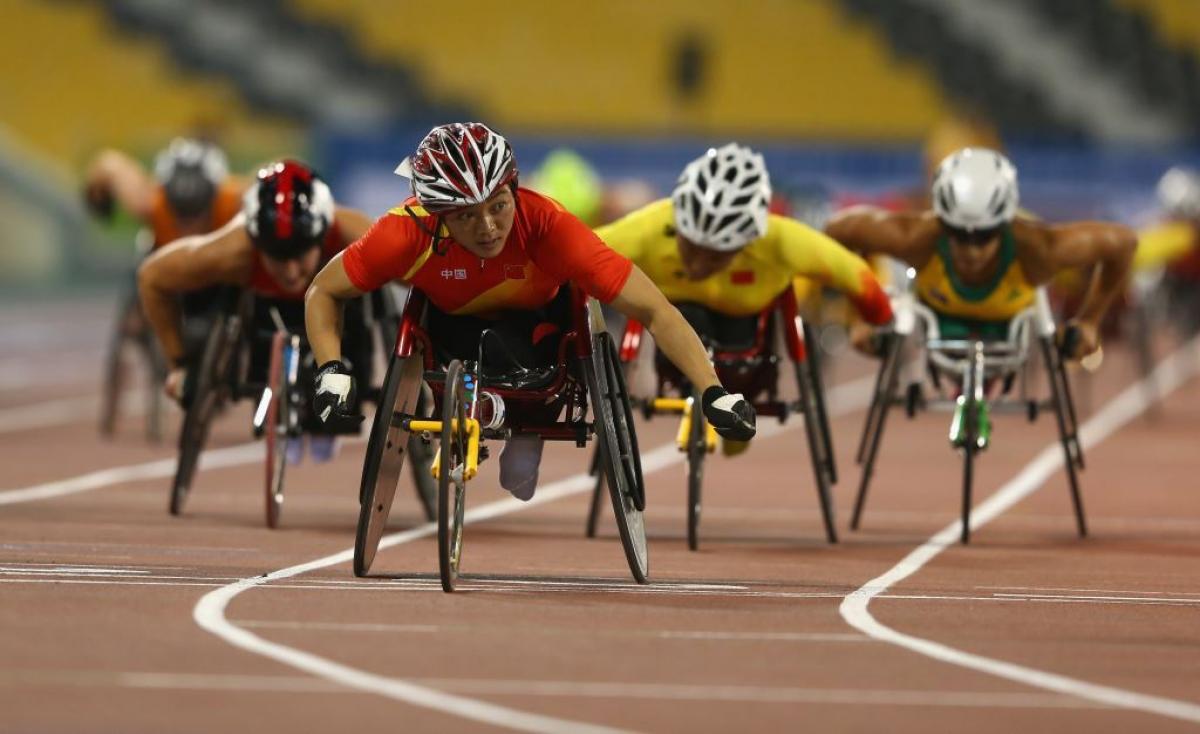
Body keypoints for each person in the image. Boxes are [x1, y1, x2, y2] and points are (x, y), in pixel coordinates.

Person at [304, 122, 757, 500]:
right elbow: (323, 291)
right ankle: (471, 407)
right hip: (451, 332)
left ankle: (528, 427)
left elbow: (655, 310)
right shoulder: (401, 233)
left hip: (541, 341)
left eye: (498, 207)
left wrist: (714, 391)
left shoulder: (550, 226)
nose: (487, 228)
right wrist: (331, 371)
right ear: (435, 214)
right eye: (464, 216)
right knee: (460, 335)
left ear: (514, 190)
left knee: (526, 347)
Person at [595, 143, 893, 452]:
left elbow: (858, 276)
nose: (697, 265)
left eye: (714, 256)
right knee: (685, 316)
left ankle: (736, 402)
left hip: (747, 347)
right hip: (672, 332)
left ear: (747, 242)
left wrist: (873, 322)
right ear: (677, 223)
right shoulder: (648, 227)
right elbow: (574, 255)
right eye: (691, 246)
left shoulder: (781, 240)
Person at [138, 159, 375, 462]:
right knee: (254, 318)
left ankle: (344, 389)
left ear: (322, 238)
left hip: (342, 311)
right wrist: (179, 364)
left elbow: (415, 271)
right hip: (266, 314)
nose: (290, 272)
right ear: (257, 246)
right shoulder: (232, 251)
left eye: (299, 257)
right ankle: (270, 391)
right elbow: (152, 278)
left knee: (361, 295)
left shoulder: (352, 234)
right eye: (277, 258)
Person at [825, 147, 1137, 360]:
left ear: (1005, 225)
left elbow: (1124, 243)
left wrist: (1090, 321)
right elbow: (839, 230)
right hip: (938, 317)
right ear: (941, 223)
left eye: (985, 236)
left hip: (1009, 321)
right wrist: (861, 315)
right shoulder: (914, 238)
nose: (971, 251)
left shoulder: (1041, 247)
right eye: (957, 235)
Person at [85, 137, 245, 248]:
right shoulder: (151, 203)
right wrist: (97, 199)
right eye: (182, 216)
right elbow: (109, 165)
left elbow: (110, 165)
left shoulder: (232, 203)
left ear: (214, 199)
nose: (190, 232)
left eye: (197, 214)